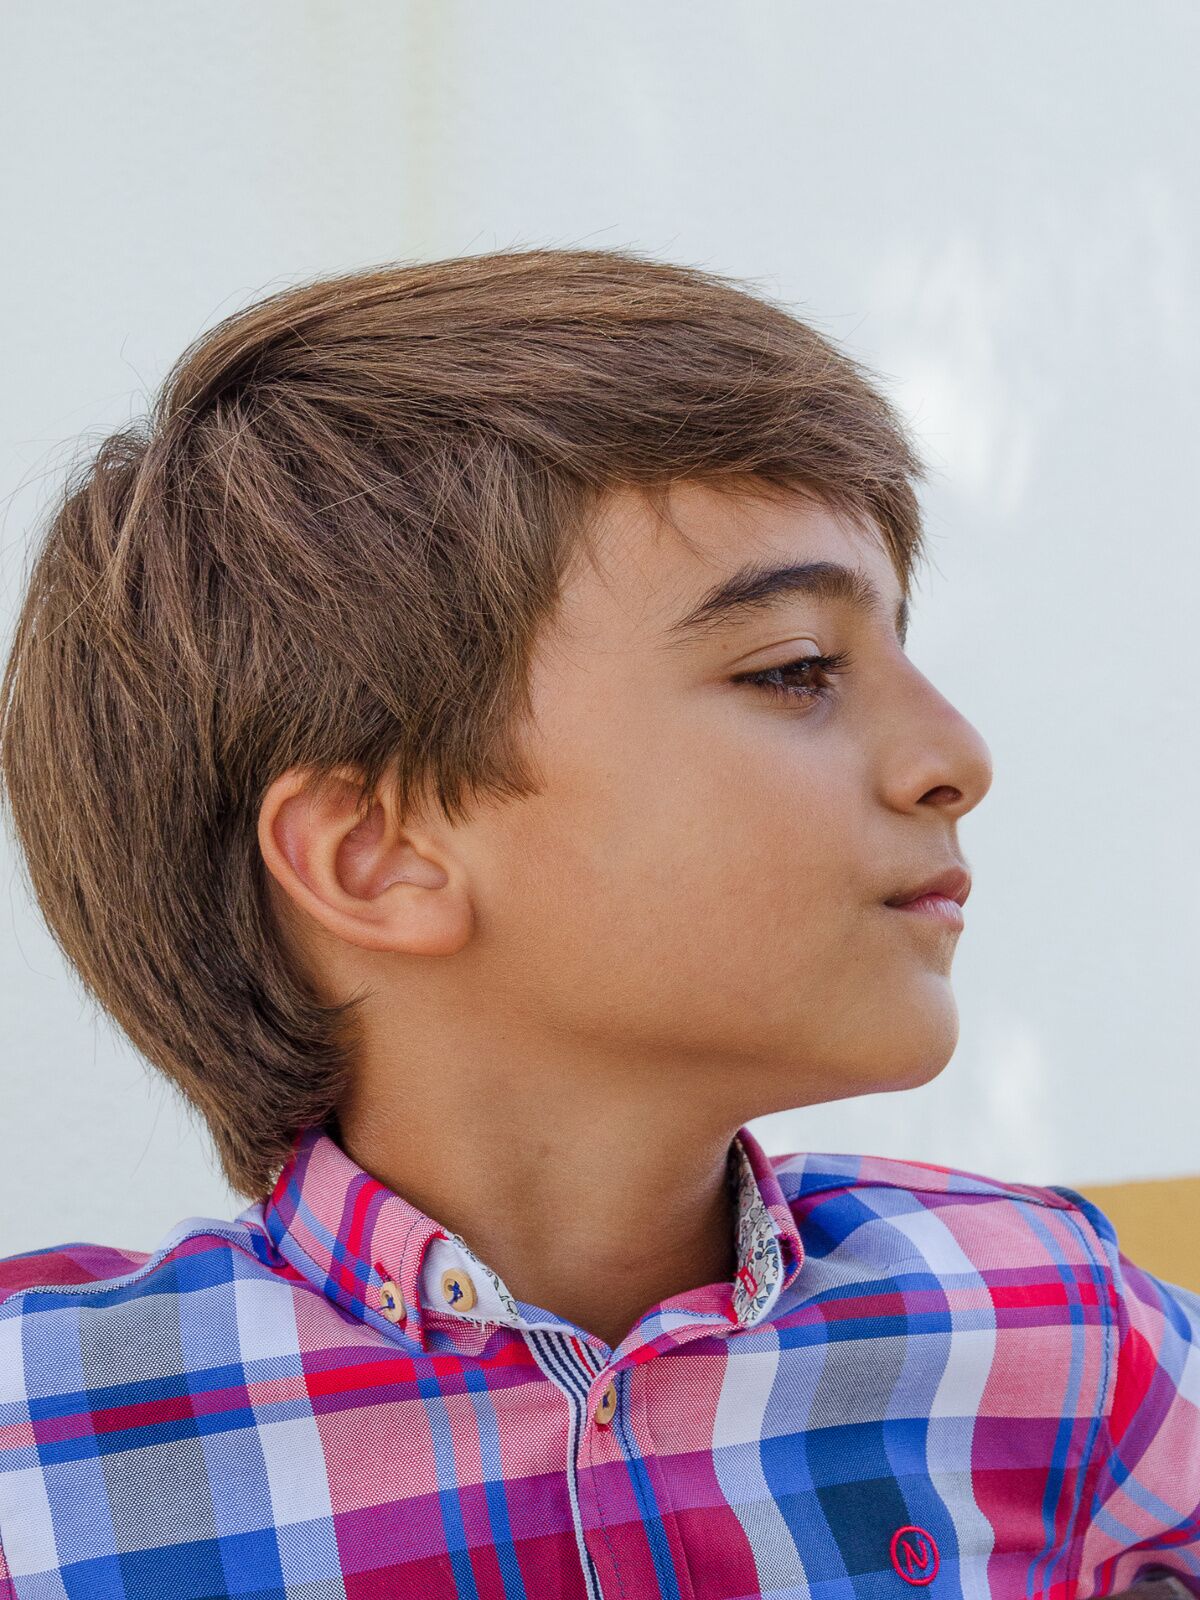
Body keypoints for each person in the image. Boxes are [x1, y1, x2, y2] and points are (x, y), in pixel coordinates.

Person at [0, 248, 1196, 1599]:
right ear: (378, 857)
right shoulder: (39, 1448)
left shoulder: (1052, 1320)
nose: (957, 758)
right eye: (795, 668)